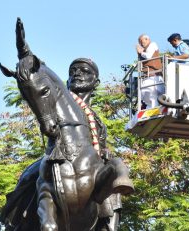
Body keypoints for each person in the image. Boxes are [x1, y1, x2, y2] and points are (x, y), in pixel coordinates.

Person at [67, 58, 123, 231]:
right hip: (64, 158)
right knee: (30, 179)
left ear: (95, 82)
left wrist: (104, 151)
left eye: (84, 71)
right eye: (73, 71)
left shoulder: (96, 118)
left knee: (113, 182)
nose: (77, 74)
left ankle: (107, 226)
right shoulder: (62, 103)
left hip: (92, 165)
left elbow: (100, 143)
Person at [136, 34, 165, 109]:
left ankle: (155, 110)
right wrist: (139, 53)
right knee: (148, 97)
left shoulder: (153, 44)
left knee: (153, 96)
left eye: (142, 42)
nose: (141, 44)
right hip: (149, 76)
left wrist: (141, 52)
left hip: (154, 77)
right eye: (140, 42)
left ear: (147, 39)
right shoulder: (144, 50)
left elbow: (148, 56)